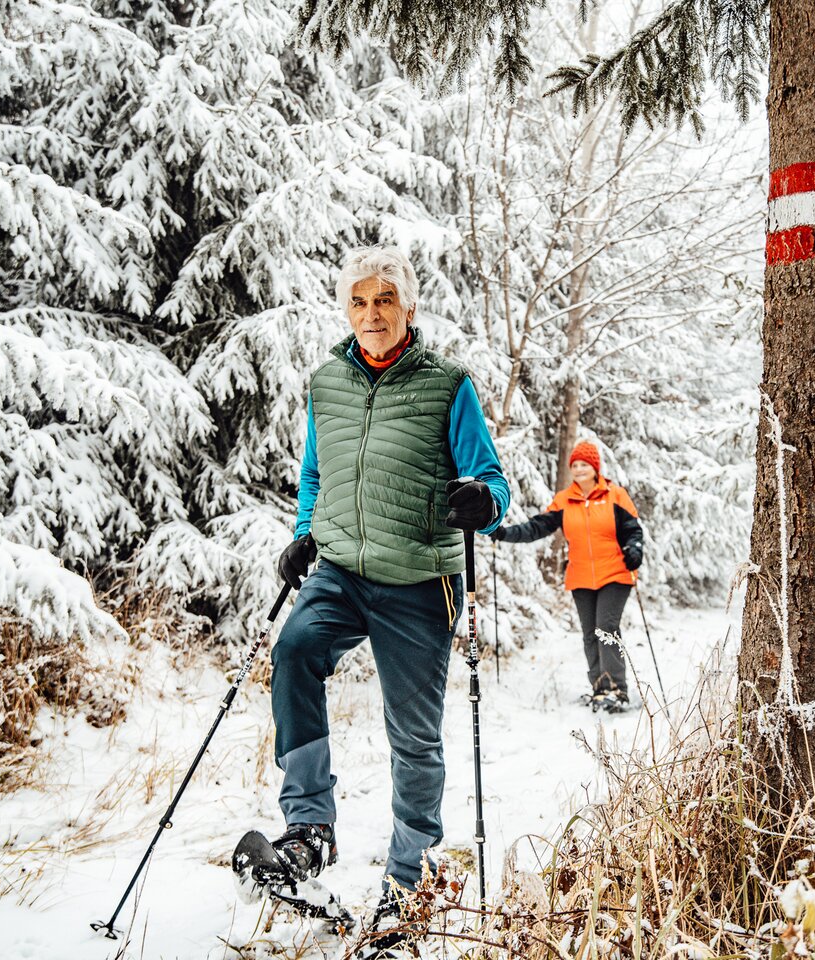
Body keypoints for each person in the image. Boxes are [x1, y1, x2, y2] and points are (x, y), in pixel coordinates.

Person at [240, 246, 509, 954]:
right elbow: (315, 473)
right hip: (341, 570)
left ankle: (410, 878)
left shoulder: (448, 384)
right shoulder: (326, 382)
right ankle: (309, 829)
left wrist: (483, 501)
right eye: (358, 301)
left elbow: (492, 479)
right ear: (346, 310)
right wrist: (304, 532)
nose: (371, 313)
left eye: (384, 299)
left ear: (409, 307)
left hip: (418, 580)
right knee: (294, 652)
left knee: (412, 734)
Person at [490, 441, 642, 712]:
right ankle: (600, 688)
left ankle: (617, 689)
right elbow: (537, 527)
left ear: (595, 467)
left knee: (606, 628)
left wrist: (635, 548)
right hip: (581, 577)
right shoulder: (565, 500)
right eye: (575, 465)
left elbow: (633, 529)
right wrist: (504, 533)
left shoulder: (615, 495)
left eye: (584, 464)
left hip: (615, 572)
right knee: (590, 633)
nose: (579, 469)